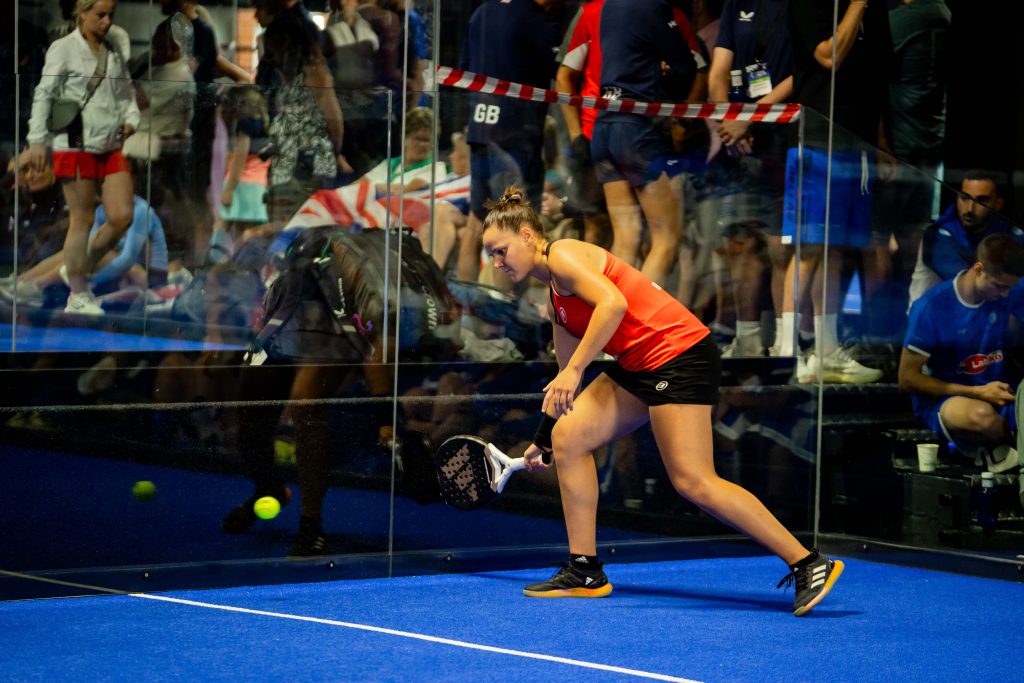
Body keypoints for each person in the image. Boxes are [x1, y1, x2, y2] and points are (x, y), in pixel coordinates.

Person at [481, 186, 843, 616]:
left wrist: (576, 369)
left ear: (527, 236)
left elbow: (612, 304)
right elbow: (565, 381)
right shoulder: (556, 295)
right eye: (491, 256)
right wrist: (542, 439)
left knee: (693, 480)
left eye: (500, 251)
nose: (497, 263)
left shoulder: (564, 255)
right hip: (640, 363)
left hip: (680, 356)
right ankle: (584, 570)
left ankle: (807, 562)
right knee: (569, 438)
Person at [781, 0, 890, 383]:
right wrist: (858, 3)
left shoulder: (874, 8)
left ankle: (826, 351)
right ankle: (785, 352)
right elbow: (830, 56)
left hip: (857, 146)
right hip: (816, 141)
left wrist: (881, 142)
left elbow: (878, 73)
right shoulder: (813, 4)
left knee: (835, 251)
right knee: (808, 250)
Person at [26, 0, 140, 316]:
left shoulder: (114, 48)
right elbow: (44, 93)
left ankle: (75, 268)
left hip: (111, 142)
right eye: (100, 15)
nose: (107, 21)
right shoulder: (63, 48)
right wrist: (36, 139)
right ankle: (77, 293)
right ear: (82, 12)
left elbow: (126, 94)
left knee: (122, 216)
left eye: (111, 15)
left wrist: (131, 120)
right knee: (82, 219)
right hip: (75, 143)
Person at [591, 0, 706, 288]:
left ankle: (610, 315)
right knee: (667, 240)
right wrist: (663, 70)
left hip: (604, 125)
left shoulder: (609, 6)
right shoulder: (654, 7)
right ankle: (636, 317)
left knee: (625, 240)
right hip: (638, 129)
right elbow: (686, 67)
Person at [703, 0, 793, 357]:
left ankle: (786, 344)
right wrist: (729, 122)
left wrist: (751, 118)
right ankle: (748, 338)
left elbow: (804, 72)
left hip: (782, 140)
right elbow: (718, 72)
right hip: (738, 144)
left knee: (781, 248)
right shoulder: (735, 4)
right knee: (740, 245)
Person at [455, 0, 561, 284]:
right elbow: (560, 74)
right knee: (512, 231)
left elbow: (464, 69)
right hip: (515, 136)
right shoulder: (536, 19)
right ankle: (501, 307)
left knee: (476, 222)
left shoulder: (481, 12)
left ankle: (468, 305)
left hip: (480, 130)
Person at [899, 234, 1023, 473]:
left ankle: (1000, 449)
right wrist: (977, 392)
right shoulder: (932, 306)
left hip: (999, 393)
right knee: (982, 416)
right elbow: (907, 379)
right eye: (999, 286)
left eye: (1010, 287)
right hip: (946, 400)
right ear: (978, 269)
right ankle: (1001, 447)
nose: (1005, 294)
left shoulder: (1008, 293)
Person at [864, 0, 950, 341]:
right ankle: (900, 331)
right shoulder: (943, 13)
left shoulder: (902, 20)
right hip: (928, 147)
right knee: (911, 241)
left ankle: (875, 334)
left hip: (899, 150)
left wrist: (881, 143)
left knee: (876, 242)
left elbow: (870, 78)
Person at [908, 171, 1023, 307]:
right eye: (964, 198)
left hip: (985, 313)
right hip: (935, 315)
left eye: (981, 201)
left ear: (997, 204)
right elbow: (975, 282)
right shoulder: (939, 235)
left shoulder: (1010, 232)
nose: (969, 209)